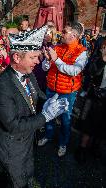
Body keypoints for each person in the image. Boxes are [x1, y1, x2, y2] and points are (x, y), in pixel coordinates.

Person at [0, 26, 69, 188]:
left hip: (27, 140)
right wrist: (46, 116)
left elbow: (37, 96)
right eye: (33, 57)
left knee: (29, 171)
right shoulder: (1, 86)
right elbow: (14, 125)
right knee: (17, 182)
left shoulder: (29, 73)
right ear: (17, 58)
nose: (38, 61)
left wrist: (50, 103)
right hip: (11, 148)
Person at [38, 22, 88, 157]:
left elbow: (74, 71)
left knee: (65, 119)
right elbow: (44, 68)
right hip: (52, 88)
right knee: (48, 114)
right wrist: (48, 61)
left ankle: (63, 143)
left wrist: (57, 60)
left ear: (74, 35)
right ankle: (48, 136)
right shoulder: (57, 47)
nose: (61, 33)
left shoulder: (82, 52)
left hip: (67, 92)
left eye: (65, 31)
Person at [75, 38, 106, 163]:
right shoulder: (96, 59)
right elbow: (92, 72)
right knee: (88, 125)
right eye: (104, 47)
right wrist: (102, 61)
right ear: (101, 48)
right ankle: (82, 149)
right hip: (95, 96)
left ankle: (96, 147)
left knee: (103, 125)